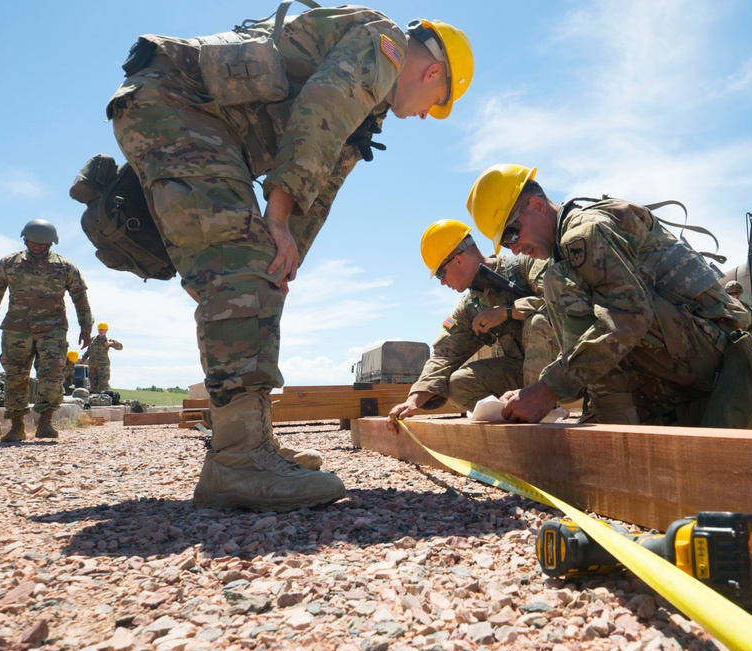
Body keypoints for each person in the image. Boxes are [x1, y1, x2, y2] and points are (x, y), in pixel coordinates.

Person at [107, 6, 473, 512]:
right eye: (436, 103)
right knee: (241, 267)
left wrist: (284, 258)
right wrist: (274, 224)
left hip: (189, 115)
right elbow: (318, 114)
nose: (425, 116)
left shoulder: (370, 107)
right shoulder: (383, 43)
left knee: (258, 270)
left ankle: (248, 440)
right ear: (433, 73)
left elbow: (322, 183)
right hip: (178, 105)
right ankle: (238, 460)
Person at [466, 164, 752, 426]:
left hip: (715, 359)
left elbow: (628, 316)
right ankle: (619, 413)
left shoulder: (582, 234)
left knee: (560, 283)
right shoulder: (564, 250)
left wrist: (547, 390)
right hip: (692, 347)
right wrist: (537, 388)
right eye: (505, 244)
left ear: (537, 205)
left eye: (512, 235)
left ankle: (614, 418)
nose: (513, 249)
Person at [387, 220, 558, 433]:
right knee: (459, 383)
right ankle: (515, 421)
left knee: (537, 320)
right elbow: (445, 354)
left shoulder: (526, 265)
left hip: (568, 369)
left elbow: (562, 302)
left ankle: (536, 415)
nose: (441, 282)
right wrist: (414, 400)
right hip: (522, 371)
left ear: (458, 260)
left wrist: (507, 311)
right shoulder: (471, 306)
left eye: (441, 273)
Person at [0, 220, 93, 442]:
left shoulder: (65, 267)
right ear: (25, 240)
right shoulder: (8, 263)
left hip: (52, 329)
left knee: (52, 374)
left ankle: (45, 422)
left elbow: (80, 297)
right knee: (15, 377)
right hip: (17, 329)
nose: (36, 247)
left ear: (50, 244)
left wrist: (86, 327)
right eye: (33, 243)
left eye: (41, 244)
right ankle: (17, 427)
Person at [82, 322, 123, 394]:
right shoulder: (93, 339)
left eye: (103, 329)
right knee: (93, 383)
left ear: (106, 330)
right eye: (99, 329)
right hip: (93, 365)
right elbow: (89, 351)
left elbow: (120, 347)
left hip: (103, 365)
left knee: (103, 383)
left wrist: (111, 343)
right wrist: (83, 359)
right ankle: (95, 400)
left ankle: (105, 399)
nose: (101, 331)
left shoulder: (108, 340)